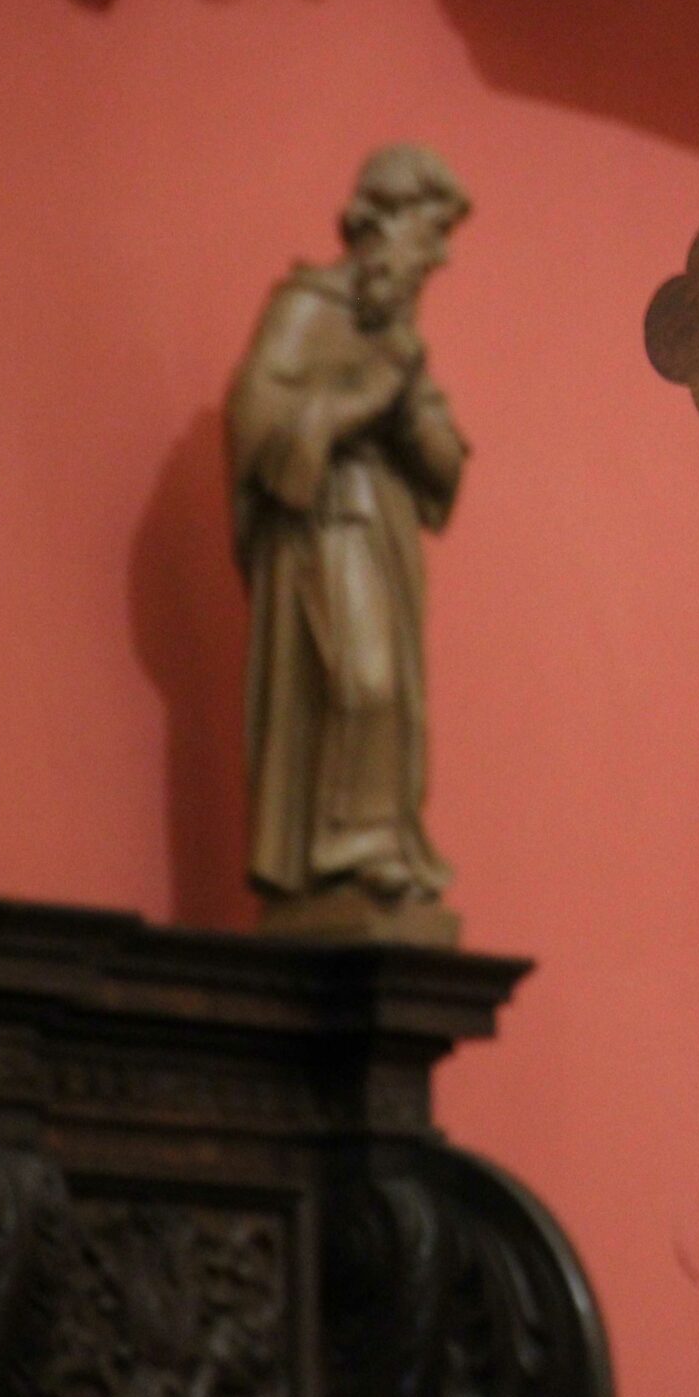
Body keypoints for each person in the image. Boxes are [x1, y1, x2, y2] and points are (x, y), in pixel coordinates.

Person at [225, 145, 471, 925]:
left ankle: (377, 847)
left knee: (395, 702)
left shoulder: (398, 338)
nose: (438, 259)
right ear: (383, 224)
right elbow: (258, 425)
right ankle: (337, 854)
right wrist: (362, 400)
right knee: (361, 681)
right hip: (325, 525)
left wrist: (407, 399)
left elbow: (446, 466)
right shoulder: (307, 309)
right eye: (430, 235)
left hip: (384, 529)